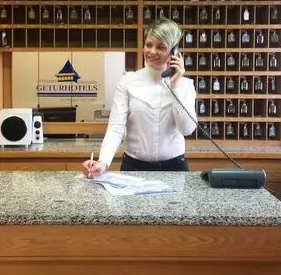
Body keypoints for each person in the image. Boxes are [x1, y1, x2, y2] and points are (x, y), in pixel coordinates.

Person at [82, 18, 197, 178]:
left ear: (174, 52)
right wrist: (103, 161)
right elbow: (116, 127)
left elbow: (187, 129)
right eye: (149, 45)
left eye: (160, 47)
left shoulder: (185, 85)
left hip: (174, 168)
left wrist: (175, 86)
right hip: (134, 167)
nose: (152, 51)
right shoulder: (128, 81)